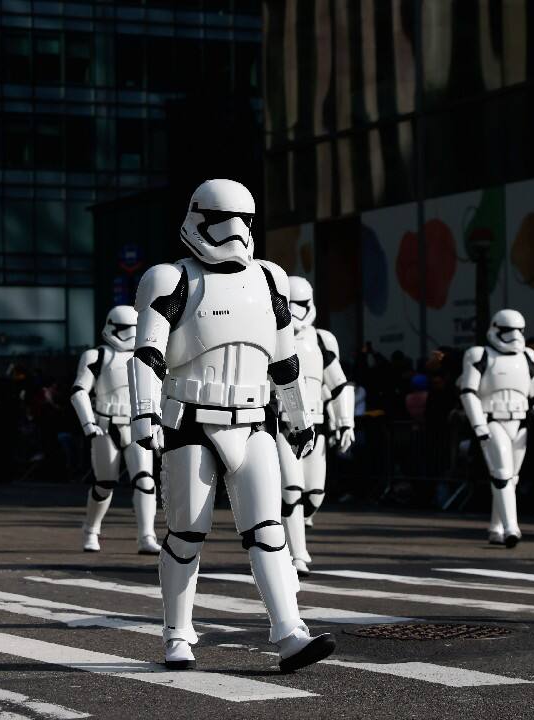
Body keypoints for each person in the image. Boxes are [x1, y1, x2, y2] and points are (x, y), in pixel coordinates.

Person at [129, 179, 336, 672]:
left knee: (268, 530)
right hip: (190, 421)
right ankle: (177, 634)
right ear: (198, 219)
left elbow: (284, 359)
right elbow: (148, 354)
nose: (235, 231)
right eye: (223, 220)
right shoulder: (171, 279)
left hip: (254, 420)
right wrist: (144, 413)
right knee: (186, 534)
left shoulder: (270, 279)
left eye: (244, 220)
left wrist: (298, 417)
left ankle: (290, 633)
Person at [457, 309, 534, 547]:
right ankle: (512, 527)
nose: (513, 336)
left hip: (520, 421)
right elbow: (468, 392)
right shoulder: (479, 355)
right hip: (492, 419)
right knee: (502, 473)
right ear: (495, 329)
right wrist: (478, 424)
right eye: (507, 331)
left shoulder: (528, 357)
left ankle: (496, 528)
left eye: (518, 330)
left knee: (510, 479)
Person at [277, 277, 354, 576]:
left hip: (317, 422)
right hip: (282, 424)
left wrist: (344, 421)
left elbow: (337, 384)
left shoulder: (322, 340)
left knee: (314, 495)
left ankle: (286, 527)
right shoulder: (272, 334)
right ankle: (298, 555)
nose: (297, 311)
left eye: (302, 304)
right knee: (292, 490)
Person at [70, 306, 161, 554]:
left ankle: (146, 536)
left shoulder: (145, 356)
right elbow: (79, 391)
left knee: (145, 480)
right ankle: (91, 530)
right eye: (126, 329)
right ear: (112, 328)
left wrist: (158, 424)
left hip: (136, 424)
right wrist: (88, 423)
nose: (131, 335)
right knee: (104, 484)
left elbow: (156, 393)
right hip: (105, 424)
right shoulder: (97, 356)